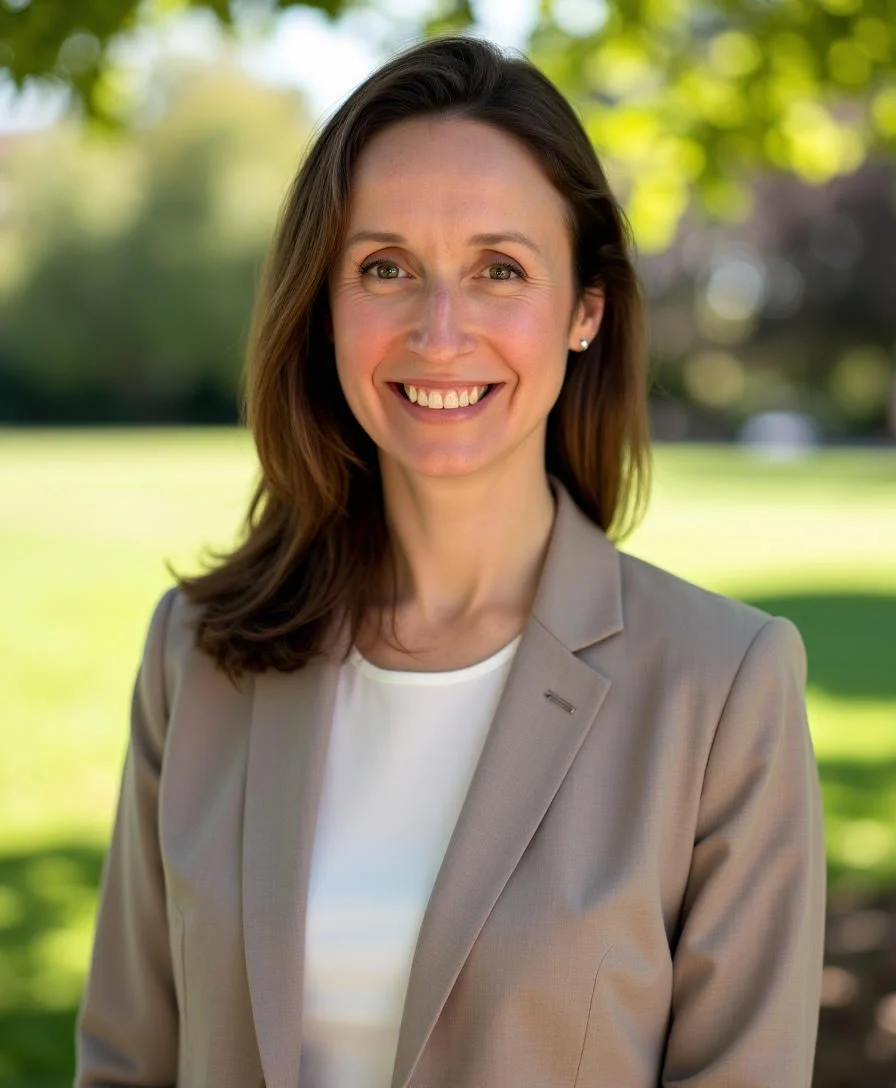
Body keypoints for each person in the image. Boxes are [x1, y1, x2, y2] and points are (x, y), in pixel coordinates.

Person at [74, 34, 826, 1088]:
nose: (437, 330)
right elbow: (126, 1061)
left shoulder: (719, 685)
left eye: (497, 270)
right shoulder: (196, 654)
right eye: (384, 267)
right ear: (321, 303)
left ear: (583, 311)